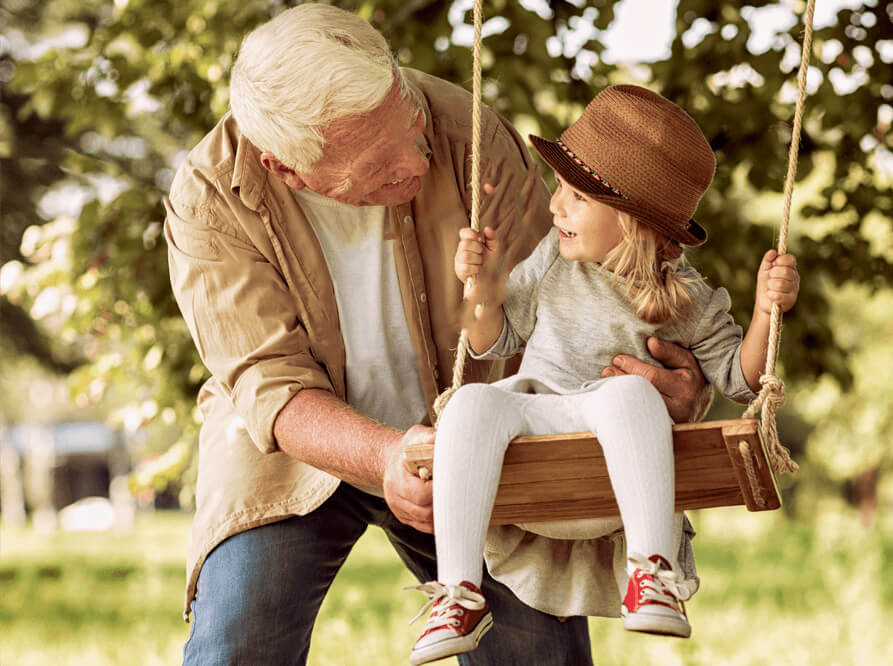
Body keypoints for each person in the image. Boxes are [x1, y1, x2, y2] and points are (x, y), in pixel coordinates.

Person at [163, 5, 712, 664]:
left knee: (536, 656)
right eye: (379, 167)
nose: (417, 164)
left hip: (483, 426)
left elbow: (566, 307)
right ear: (288, 170)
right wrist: (387, 455)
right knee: (236, 643)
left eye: (412, 129)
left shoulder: (466, 130)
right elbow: (270, 388)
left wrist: (656, 383)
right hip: (294, 445)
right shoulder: (207, 199)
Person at [408, 84, 799, 665]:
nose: (553, 207)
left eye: (575, 197)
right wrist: (484, 289)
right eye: (559, 191)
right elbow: (495, 341)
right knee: (469, 404)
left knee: (627, 393)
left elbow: (740, 379)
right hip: (538, 424)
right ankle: (459, 593)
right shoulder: (551, 261)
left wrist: (768, 313)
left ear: (632, 218)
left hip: (612, 466)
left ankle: (653, 574)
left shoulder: (687, 297)